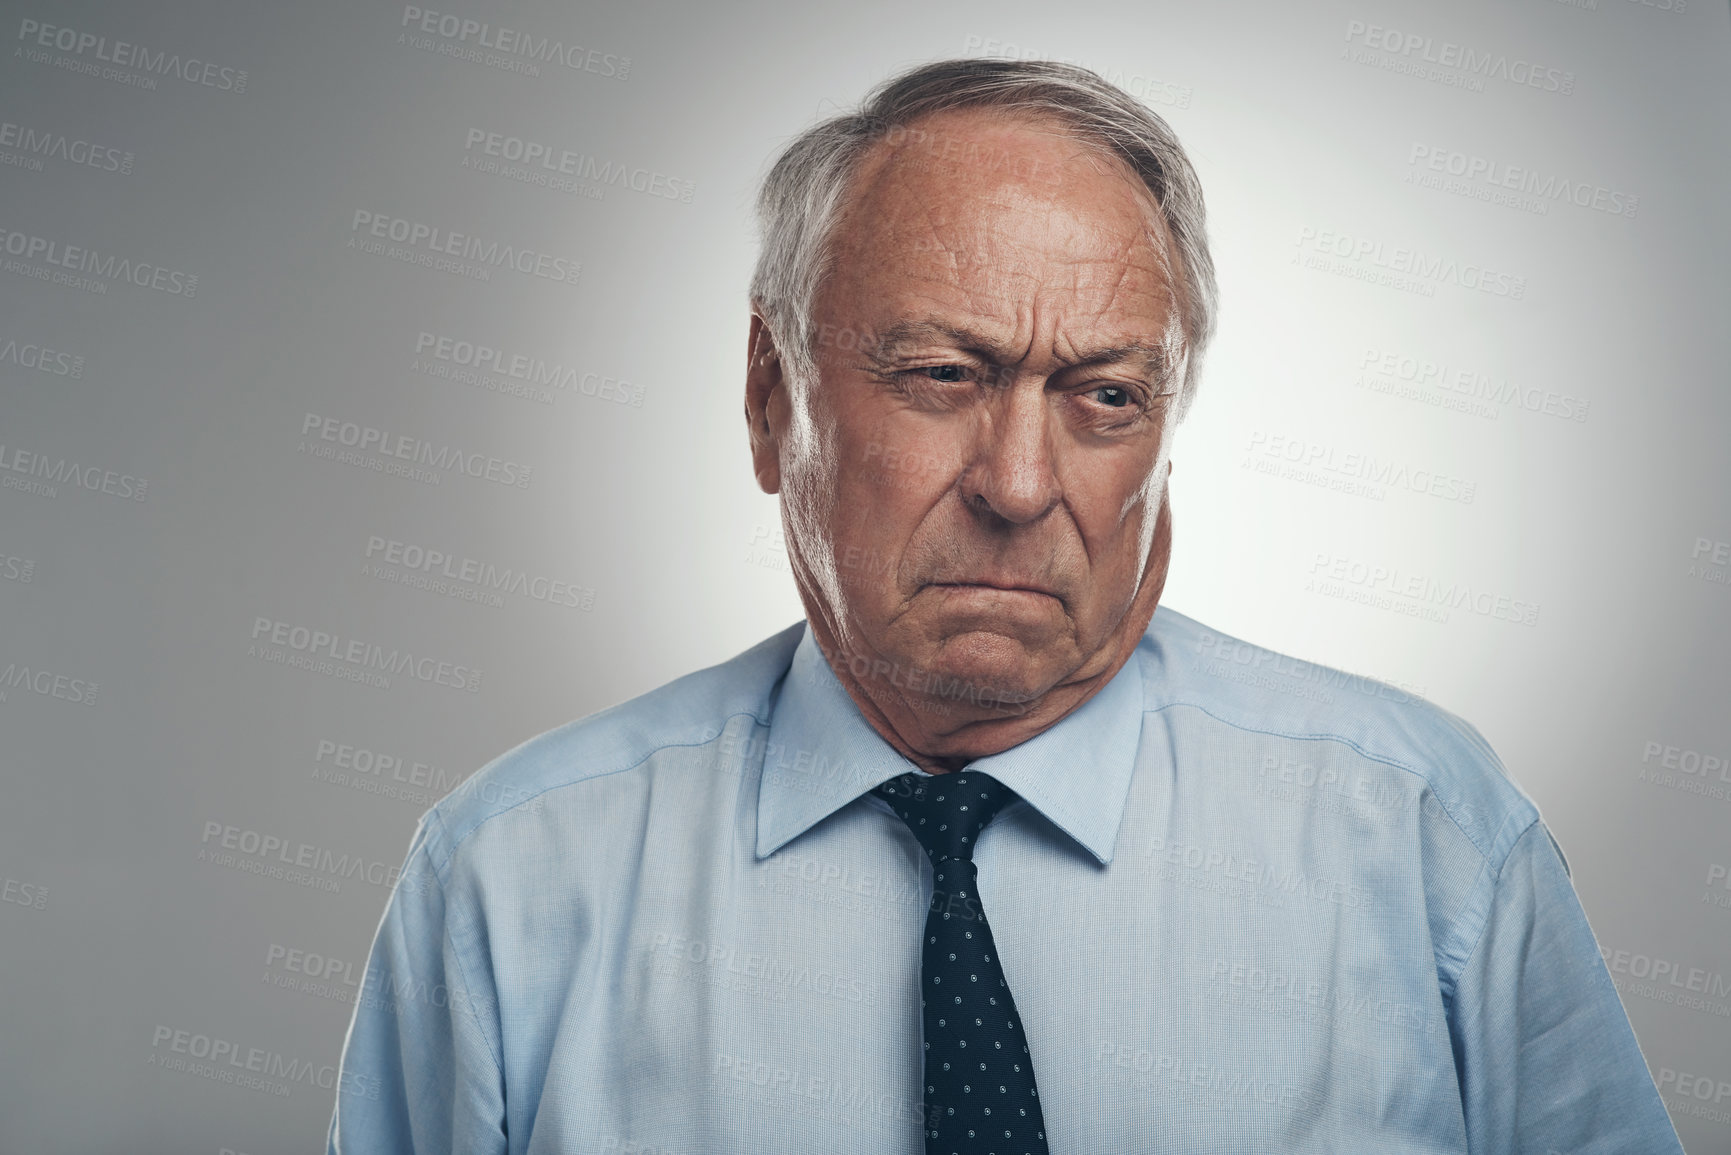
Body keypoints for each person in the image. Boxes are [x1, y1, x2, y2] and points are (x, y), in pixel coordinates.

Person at [327, 58, 1683, 1153]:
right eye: (941, 374)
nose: (1022, 484)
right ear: (769, 392)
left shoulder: (1429, 842)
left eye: (1103, 395)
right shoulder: (509, 885)